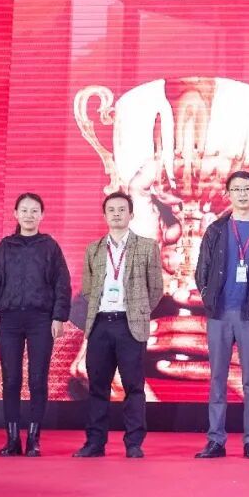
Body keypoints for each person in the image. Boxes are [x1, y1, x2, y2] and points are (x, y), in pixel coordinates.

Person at [193, 171, 249, 459]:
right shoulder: (216, 230)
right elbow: (201, 271)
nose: (242, 194)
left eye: (247, 189)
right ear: (228, 194)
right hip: (220, 314)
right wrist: (208, 298)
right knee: (217, 379)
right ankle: (215, 440)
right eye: (236, 189)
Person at [72, 192, 164, 458]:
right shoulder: (94, 249)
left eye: (121, 209)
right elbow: (88, 289)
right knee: (97, 387)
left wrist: (139, 311)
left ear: (131, 214)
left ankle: (134, 443)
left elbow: (156, 289)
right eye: (111, 210)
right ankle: (95, 442)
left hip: (129, 325)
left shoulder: (147, 247)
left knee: (134, 386)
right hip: (100, 324)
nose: (116, 214)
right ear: (104, 215)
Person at [0, 193, 71, 457]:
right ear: (15, 214)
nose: (29, 215)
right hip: (8, 320)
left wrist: (58, 317)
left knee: (38, 378)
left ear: (42, 215)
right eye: (24, 210)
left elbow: (62, 285)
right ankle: (12, 440)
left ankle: (33, 439)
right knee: (10, 379)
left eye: (34, 211)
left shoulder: (50, 247)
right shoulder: (5, 247)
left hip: (41, 320)